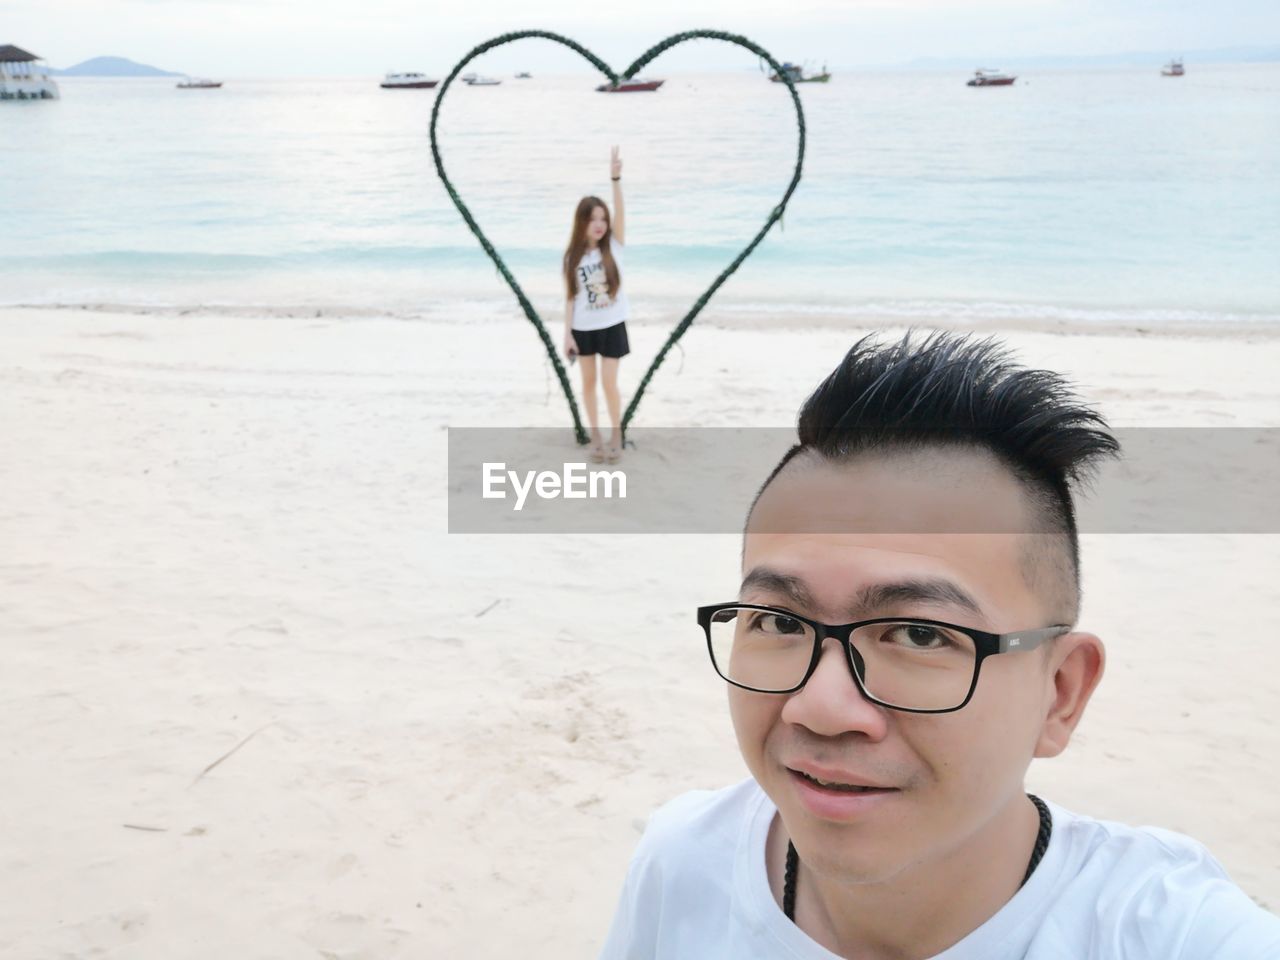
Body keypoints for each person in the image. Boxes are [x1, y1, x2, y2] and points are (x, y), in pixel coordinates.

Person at [598, 332, 1280, 959]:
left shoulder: (1170, 935)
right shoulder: (683, 864)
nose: (821, 707)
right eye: (779, 622)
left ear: (1060, 693)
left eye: (919, 633)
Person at [563, 146, 629, 464]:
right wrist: (567, 334)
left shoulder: (614, 246)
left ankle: (617, 433)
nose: (599, 224)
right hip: (583, 328)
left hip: (612, 324)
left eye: (603, 218)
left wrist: (615, 179)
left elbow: (620, 211)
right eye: (593, 220)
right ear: (582, 223)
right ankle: (596, 436)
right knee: (588, 384)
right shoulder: (573, 257)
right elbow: (570, 298)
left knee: (609, 383)